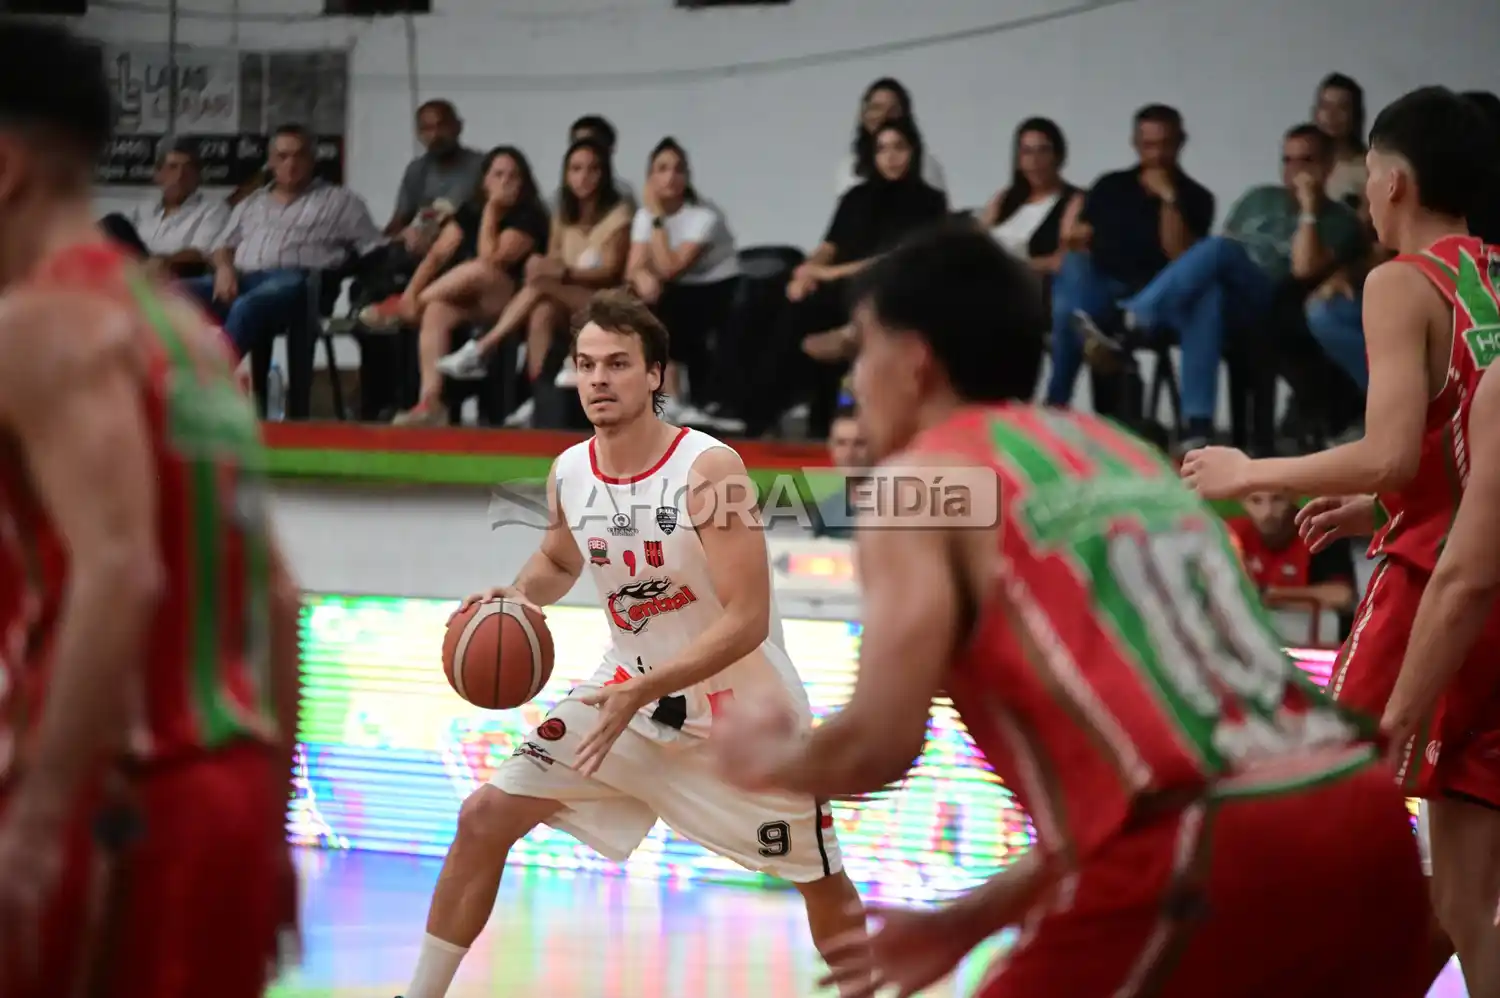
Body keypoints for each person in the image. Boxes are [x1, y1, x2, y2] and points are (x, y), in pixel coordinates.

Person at [712, 222, 1428, 998]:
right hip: (1366, 818)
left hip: (1212, 846)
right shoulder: (1120, 453)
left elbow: (881, 744)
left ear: (914, 362)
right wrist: (969, 920)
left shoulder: (923, 483)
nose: (854, 378)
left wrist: (771, 761)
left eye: (862, 351)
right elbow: (1149, 771)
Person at [398, 289, 866, 998]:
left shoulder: (710, 471)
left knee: (822, 883)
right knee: (483, 817)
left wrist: (641, 690)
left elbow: (745, 617)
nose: (598, 379)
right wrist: (514, 598)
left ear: (656, 376)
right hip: (626, 701)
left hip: (741, 718)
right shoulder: (571, 471)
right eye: (586, 364)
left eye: (618, 364)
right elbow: (558, 561)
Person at [0, 20, 302, 998]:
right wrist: (272, 837)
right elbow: (283, 595)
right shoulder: (185, 329)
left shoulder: (43, 325)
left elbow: (121, 569)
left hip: (112, 796)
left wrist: (39, 824)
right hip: (229, 794)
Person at [1182, 85, 1500, 995]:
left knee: (1303, 798)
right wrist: (1384, 505)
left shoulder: (1401, 280)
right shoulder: (1496, 275)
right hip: (1488, 578)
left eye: (1365, 172)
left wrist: (1252, 473)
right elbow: (1466, 442)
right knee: (1472, 901)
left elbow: (1392, 452)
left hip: (1439, 588)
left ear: (1391, 181)